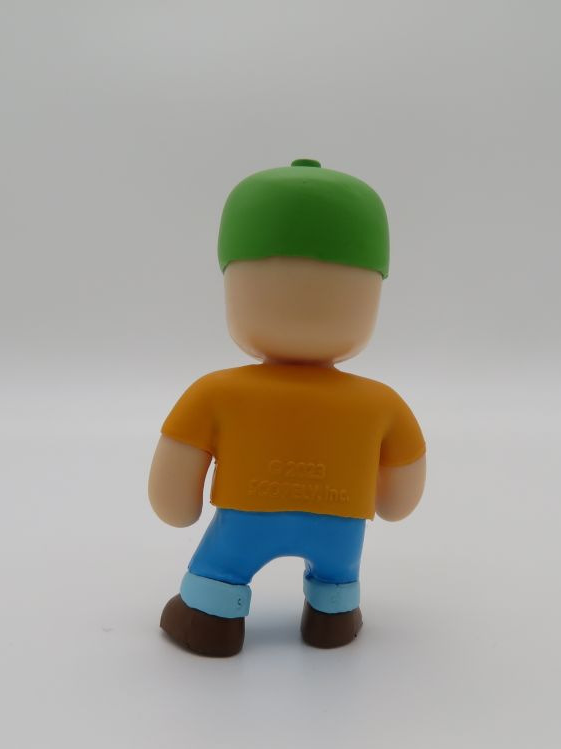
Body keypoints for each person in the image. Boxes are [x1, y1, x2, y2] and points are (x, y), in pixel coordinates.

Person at [149, 159, 426, 656]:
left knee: (221, 568)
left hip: (245, 519)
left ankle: (211, 617)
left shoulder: (217, 391)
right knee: (338, 575)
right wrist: (394, 503)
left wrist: (175, 504)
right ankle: (333, 614)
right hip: (341, 525)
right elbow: (402, 486)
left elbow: (176, 472)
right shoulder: (379, 402)